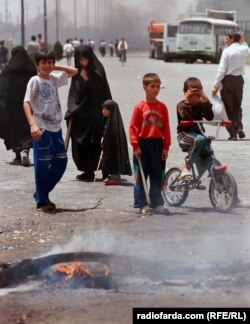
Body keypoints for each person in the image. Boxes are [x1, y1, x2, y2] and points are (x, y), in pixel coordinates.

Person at [23, 51, 78, 212]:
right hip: (41, 127)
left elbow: (74, 71)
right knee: (42, 165)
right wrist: (32, 125)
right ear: (37, 65)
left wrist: (55, 67)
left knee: (61, 161)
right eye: (44, 63)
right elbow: (26, 103)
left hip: (56, 127)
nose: (47, 66)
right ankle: (42, 200)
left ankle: (41, 193)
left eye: (50, 62)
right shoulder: (34, 80)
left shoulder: (54, 79)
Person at [65, 45, 112, 182]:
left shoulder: (98, 71)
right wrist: (72, 109)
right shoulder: (76, 72)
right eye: (80, 59)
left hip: (95, 113)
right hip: (81, 114)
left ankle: (103, 170)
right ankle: (87, 171)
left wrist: (87, 80)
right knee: (81, 144)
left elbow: (99, 92)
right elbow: (74, 92)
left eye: (85, 59)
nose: (83, 62)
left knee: (95, 143)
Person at [129, 73, 171, 215]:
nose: (155, 89)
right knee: (141, 176)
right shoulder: (139, 107)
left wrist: (166, 146)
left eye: (158, 87)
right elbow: (133, 127)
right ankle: (142, 204)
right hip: (142, 145)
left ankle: (157, 203)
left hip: (157, 145)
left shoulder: (163, 107)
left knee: (157, 175)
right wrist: (135, 146)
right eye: (152, 86)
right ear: (145, 88)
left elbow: (166, 128)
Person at [0, 46, 37, 166]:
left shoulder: (8, 70)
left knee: (13, 130)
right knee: (27, 128)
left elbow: (2, 87)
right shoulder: (31, 70)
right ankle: (25, 150)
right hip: (27, 106)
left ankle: (17, 155)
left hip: (11, 107)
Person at [211, 32, 250, 140]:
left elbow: (222, 70)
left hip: (227, 81)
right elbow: (247, 49)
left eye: (227, 38)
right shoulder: (243, 50)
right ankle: (239, 127)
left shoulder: (227, 51)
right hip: (239, 80)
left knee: (228, 108)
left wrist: (216, 84)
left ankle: (233, 133)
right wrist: (242, 40)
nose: (226, 40)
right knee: (237, 106)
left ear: (232, 39)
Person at [177, 77, 214, 180]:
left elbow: (210, 117)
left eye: (197, 95)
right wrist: (187, 101)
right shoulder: (181, 105)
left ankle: (228, 188)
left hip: (198, 136)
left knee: (208, 148)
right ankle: (186, 167)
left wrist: (205, 99)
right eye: (192, 95)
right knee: (201, 139)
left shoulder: (201, 104)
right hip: (184, 135)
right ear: (185, 93)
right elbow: (185, 118)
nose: (195, 98)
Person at [101, 99, 132, 185]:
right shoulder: (107, 121)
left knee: (114, 159)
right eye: (103, 108)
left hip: (113, 149)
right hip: (108, 148)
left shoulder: (115, 125)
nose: (103, 111)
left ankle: (115, 177)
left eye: (106, 109)